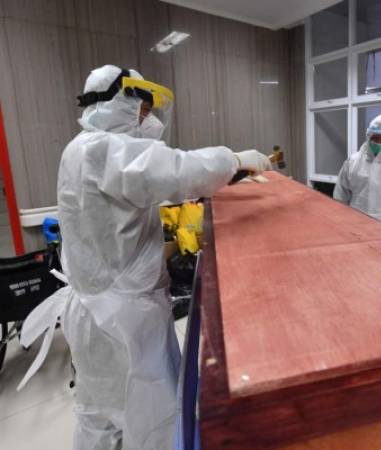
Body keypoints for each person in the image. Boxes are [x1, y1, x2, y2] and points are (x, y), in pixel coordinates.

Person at [17, 65, 271, 450]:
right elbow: (173, 171)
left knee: (99, 410)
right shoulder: (104, 149)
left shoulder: (79, 148)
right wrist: (234, 159)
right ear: (117, 104)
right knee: (151, 414)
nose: (148, 120)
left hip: (94, 311)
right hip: (124, 318)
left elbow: (144, 186)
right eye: (143, 110)